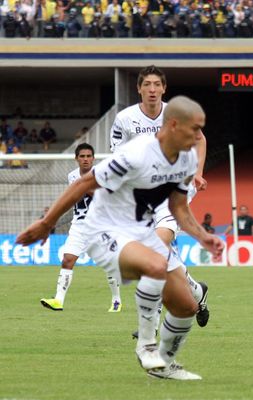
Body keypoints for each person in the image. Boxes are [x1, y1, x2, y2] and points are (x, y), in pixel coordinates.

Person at [17, 96, 224, 380]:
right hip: (106, 230)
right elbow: (84, 183)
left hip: (144, 228)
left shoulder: (184, 160)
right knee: (154, 263)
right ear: (174, 125)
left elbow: (179, 207)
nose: (198, 137)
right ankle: (146, 344)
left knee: (186, 307)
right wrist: (47, 222)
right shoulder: (136, 154)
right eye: (194, 130)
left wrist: (203, 236)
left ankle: (164, 362)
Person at [110, 65, 211, 332]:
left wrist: (198, 173)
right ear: (139, 89)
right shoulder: (124, 119)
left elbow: (200, 139)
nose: (152, 90)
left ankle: (151, 324)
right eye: (147, 85)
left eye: (157, 85)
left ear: (164, 88)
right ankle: (196, 290)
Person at [39, 143, 122, 312]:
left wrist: (85, 187)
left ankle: (116, 300)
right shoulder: (72, 176)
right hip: (79, 225)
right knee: (67, 260)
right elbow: (72, 198)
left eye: (88, 156)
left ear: (93, 158)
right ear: (76, 158)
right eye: (82, 156)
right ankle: (58, 300)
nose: (85, 159)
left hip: (101, 225)